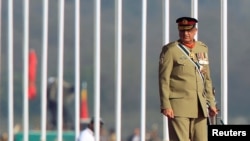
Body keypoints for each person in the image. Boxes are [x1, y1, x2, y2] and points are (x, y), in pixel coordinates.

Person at [158, 16, 218, 141]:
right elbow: (164, 79)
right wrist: (166, 105)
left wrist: (211, 103)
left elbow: (206, 78)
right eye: (182, 31)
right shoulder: (171, 50)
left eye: (189, 31)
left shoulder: (202, 48)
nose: (185, 34)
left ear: (195, 31)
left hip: (200, 106)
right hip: (179, 106)